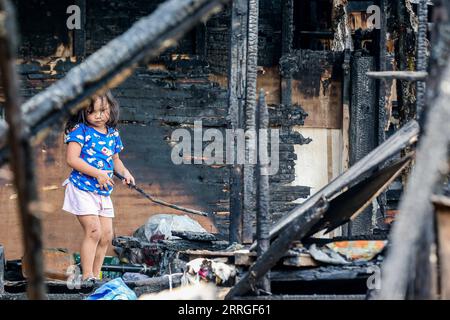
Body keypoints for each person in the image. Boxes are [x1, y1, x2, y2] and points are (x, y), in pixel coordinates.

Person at [62, 90, 135, 281]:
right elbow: (71, 159)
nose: (99, 115)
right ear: (83, 113)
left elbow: (115, 159)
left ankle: (96, 275)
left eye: (103, 110)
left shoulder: (113, 134)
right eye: (92, 112)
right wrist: (98, 173)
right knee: (94, 231)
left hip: (103, 191)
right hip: (82, 188)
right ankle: (87, 276)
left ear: (111, 108)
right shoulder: (80, 130)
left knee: (106, 235)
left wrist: (125, 173)